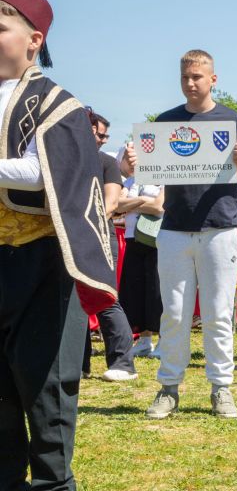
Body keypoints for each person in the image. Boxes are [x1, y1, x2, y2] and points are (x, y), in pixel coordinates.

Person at [0, 0, 117, 491]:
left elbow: (46, 175)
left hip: (45, 257)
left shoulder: (57, 103)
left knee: (44, 378)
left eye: (0, 27)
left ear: (34, 40)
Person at [145, 49, 237, 420]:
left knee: (218, 313)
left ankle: (221, 387)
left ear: (213, 79)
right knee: (174, 313)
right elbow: (151, 171)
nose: (190, 83)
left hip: (219, 228)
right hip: (174, 228)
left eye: (197, 76)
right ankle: (168, 387)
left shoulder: (232, 120)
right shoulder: (166, 122)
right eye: (185, 77)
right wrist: (133, 165)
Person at [84, 110, 137, 381]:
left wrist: (85, 226)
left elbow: (112, 203)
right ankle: (78, 364)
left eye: (106, 136)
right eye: (100, 135)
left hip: (99, 236)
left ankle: (123, 363)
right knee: (71, 301)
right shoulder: (63, 159)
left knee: (105, 297)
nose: (103, 140)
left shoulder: (106, 163)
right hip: (67, 237)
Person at [115, 174, 164, 361]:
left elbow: (159, 206)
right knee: (136, 291)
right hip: (133, 238)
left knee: (157, 292)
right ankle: (144, 340)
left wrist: (132, 203)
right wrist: (145, 200)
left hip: (157, 239)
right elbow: (117, 205)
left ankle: (164, 340)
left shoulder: (165, 177)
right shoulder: (132, 179)